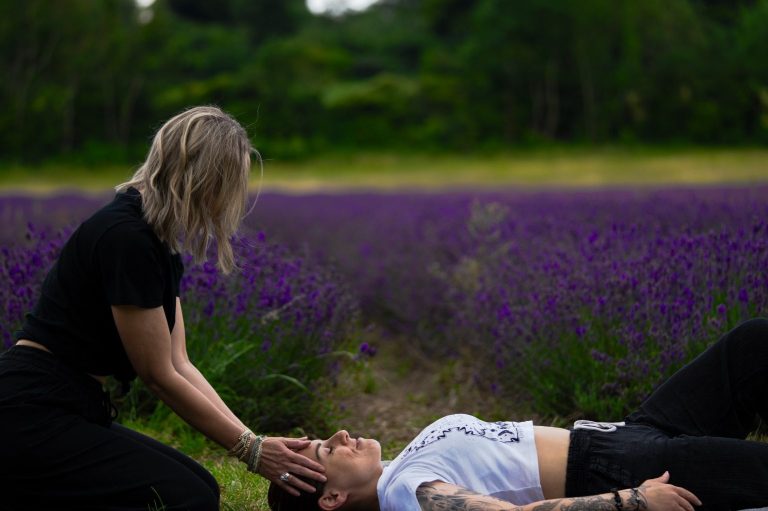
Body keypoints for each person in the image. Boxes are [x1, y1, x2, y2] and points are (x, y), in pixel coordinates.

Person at [0, 106, 325, 510]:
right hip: (29, 408)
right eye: (232, 183)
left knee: (201, 486)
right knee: (186, 498)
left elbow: (179, 362)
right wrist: (251, 450)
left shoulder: (157, 239)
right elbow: (157, 375)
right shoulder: (126, 237)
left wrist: (253, 441)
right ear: (206, 179)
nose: (233, 199)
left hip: (71, 403)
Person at [268, 318, 768, 511]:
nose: (340, 434)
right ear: (332, 497)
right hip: (622, 470)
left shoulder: (399, 467)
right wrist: (632, 500)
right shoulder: (405, 493)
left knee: (752, 345)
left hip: (628, 432)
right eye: (326, 450)